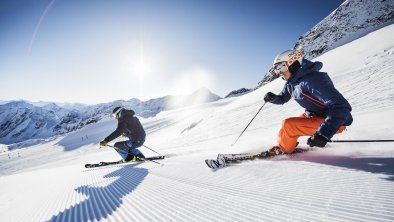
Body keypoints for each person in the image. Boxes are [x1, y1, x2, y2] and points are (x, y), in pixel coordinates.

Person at [262, 50, 353, 156]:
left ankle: (283, 150)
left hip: (336, 121)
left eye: (281, 67)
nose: (279, 73)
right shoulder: (292, 82)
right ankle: (285, 145)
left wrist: (324, 133)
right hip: (314, 114)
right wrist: (273, 98)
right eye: (276, 70)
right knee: (285, 128)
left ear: (293, 63)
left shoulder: (313, 80)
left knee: (289, 125)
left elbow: (341, 106)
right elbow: (283, 98)